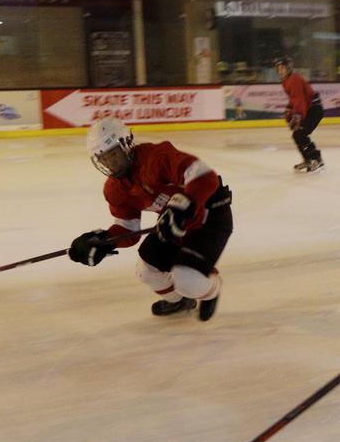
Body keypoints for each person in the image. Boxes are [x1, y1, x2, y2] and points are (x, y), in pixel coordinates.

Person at [69, 117, 234, 320]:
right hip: (173, 224)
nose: (110, 163)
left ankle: (212, 289)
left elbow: (205, 176)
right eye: (103, 158)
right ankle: (181, 301)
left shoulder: (156, 158)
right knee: (145, 270)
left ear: (126, 144)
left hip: (210, 217)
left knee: (188, 280)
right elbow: (128, 228)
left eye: (113, 154)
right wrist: (104, 240)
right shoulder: (114, 189)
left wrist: (182, 206)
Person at [276, 57, 324, 173]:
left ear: (288, 68)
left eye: (283, 68)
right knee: (297, 135)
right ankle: (308, 159)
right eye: (278, 69)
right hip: (309, 109)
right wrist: (289, 109)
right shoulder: (286, 81)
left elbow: (300, 100)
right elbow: (294, 99)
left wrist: (297, 116)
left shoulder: (294, 80)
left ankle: (316, 159)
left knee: (301, 134)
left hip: (314, 110)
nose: (280, 71)